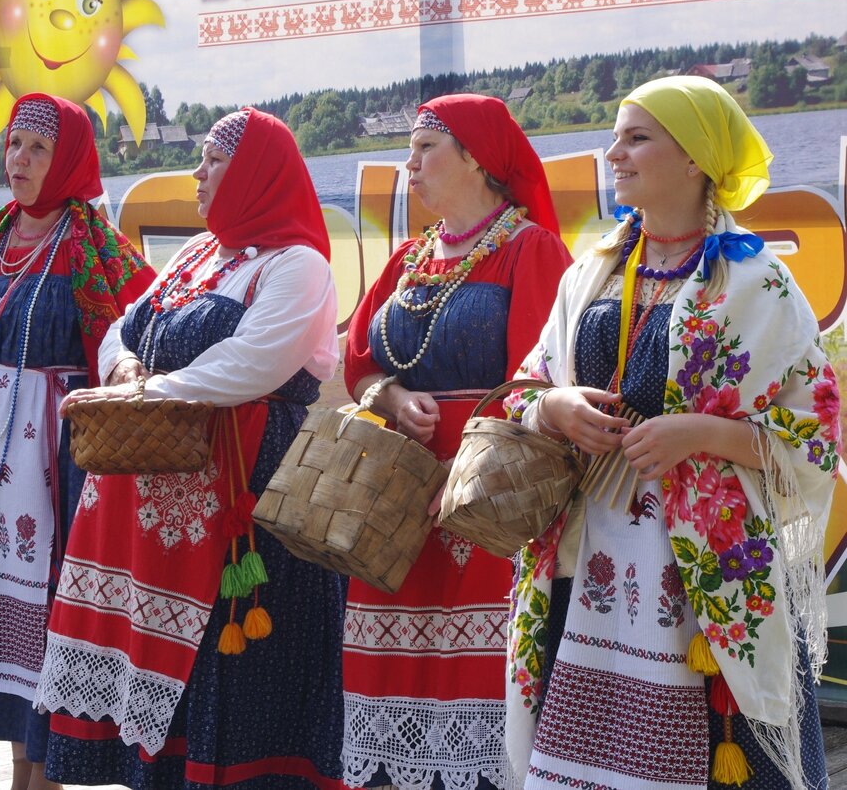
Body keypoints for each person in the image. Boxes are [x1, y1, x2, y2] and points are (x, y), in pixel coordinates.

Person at [504, 75, 837, 789]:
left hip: (704, 578)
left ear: (695, 159)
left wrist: (701, 435)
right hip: (585, 551)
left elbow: (817, 435)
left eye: (636, 137)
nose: (612, 152)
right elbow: (527, 387)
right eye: (616, 135)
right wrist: (553, 407)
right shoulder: (592, 270)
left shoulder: (757, 283)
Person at [34, 107, 344, 788]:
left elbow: (254, 363)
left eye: (213, 159)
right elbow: (125, 323)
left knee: (231, 676)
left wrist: (150, 393)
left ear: (257, 171)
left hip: (244, 498)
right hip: (158, 502)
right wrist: (121, 370)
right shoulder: (200, 254)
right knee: (164, 681)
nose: (197, 173)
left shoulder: (300, 266)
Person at [0, 92, 154, 790]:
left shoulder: (92, 245)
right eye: (14, 144)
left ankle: (40, 779)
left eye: (38, 148)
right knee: (8, 625)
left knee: (48, 611)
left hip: (55, 462)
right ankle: (22, 770)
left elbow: (140, 327)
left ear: (70, 158)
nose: (18, 159)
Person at [341, 94, 572, 790]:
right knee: (389, 696)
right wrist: (384, 393)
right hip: (398, 503)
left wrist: (472, 456)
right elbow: (356, 355)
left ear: (476, 157)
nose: (407, 164)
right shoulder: (411, 258)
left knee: (481, 696)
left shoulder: (530, 250)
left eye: (424, 148)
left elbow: (540, 375)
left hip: (484, 506)